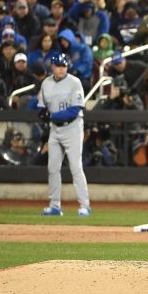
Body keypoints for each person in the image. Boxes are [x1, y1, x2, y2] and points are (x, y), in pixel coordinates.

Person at [37, 53, 91, 217]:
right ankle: (54, 206)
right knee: (52, 168)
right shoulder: (46, 83)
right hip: (55, 130)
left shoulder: (74, 82)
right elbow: (41, 107)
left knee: (75, 167)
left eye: (64, 66)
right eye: (58, 66)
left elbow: (75, 110)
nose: (61, 69)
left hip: (72, 128)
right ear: (52, 67)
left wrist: (51, 116)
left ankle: (85, 205)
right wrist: (43, 114)